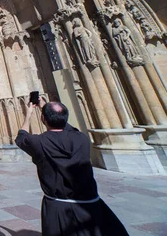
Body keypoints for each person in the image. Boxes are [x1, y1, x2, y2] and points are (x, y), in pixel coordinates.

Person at [15, 99, 129, 236]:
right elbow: (66, 126)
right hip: (91, 206)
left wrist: (29, 113)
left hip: (58, 209)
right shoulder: (82, 138)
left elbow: (21, 136)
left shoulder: (39, 143)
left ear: (43, 119)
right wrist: (45, 109)